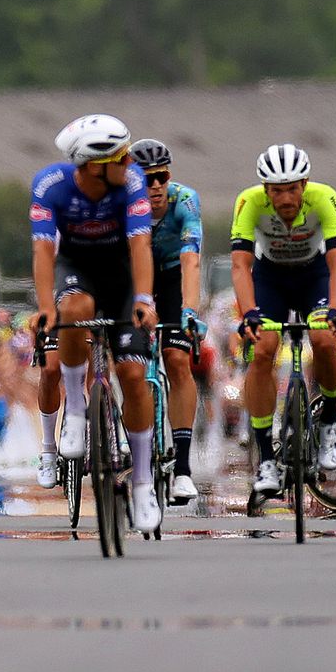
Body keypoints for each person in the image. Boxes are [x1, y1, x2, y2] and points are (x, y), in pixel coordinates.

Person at [29, 114, 162, 533]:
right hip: (77, 269)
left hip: (121, 274)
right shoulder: (50, 185)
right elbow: (44, 250)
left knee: (133, 374)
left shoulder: (132, 182)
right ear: (93, 164)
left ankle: (142, 483)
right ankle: (75, 415)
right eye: (121, 157)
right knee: (73, 310)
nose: (131, 163)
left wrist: (143, 299)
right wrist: (45, 305)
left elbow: (141, 245)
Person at [230, 143, 336, 499]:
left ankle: (330, 421)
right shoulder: (248, 202)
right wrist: (249, 312)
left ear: (305, 184)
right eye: (277, 190)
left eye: (293, 188)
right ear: (265, 190)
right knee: (263, 350)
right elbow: (240, 266)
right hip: (271, 281)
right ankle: (267, 457)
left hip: (314, 276)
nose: (286, 197)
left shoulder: (325, 197)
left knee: (326, 340)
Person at [128, 138, 206, 504]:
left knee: (176, 360)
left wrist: (189, 311)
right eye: (147, 179)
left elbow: (192, 260)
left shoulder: (184, 201)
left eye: (161, 177)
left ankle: (184, 469)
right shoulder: (122, 206)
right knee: (130, 362)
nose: (155, 186)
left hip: (174, 278)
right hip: (135, 278)